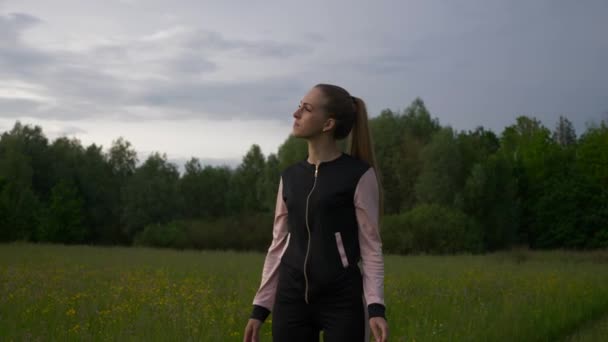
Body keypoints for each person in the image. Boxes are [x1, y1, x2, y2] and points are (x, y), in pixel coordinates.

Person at [243, 84, 389, 342]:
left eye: (306, 108)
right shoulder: (289, 177)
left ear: (328, 124)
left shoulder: (358, 175)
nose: (296, 113)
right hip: (291, 298)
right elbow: (278, 244)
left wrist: (375, 306)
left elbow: (371, 246)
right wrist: (260, 307)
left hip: (342, 300)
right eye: (299, 105)